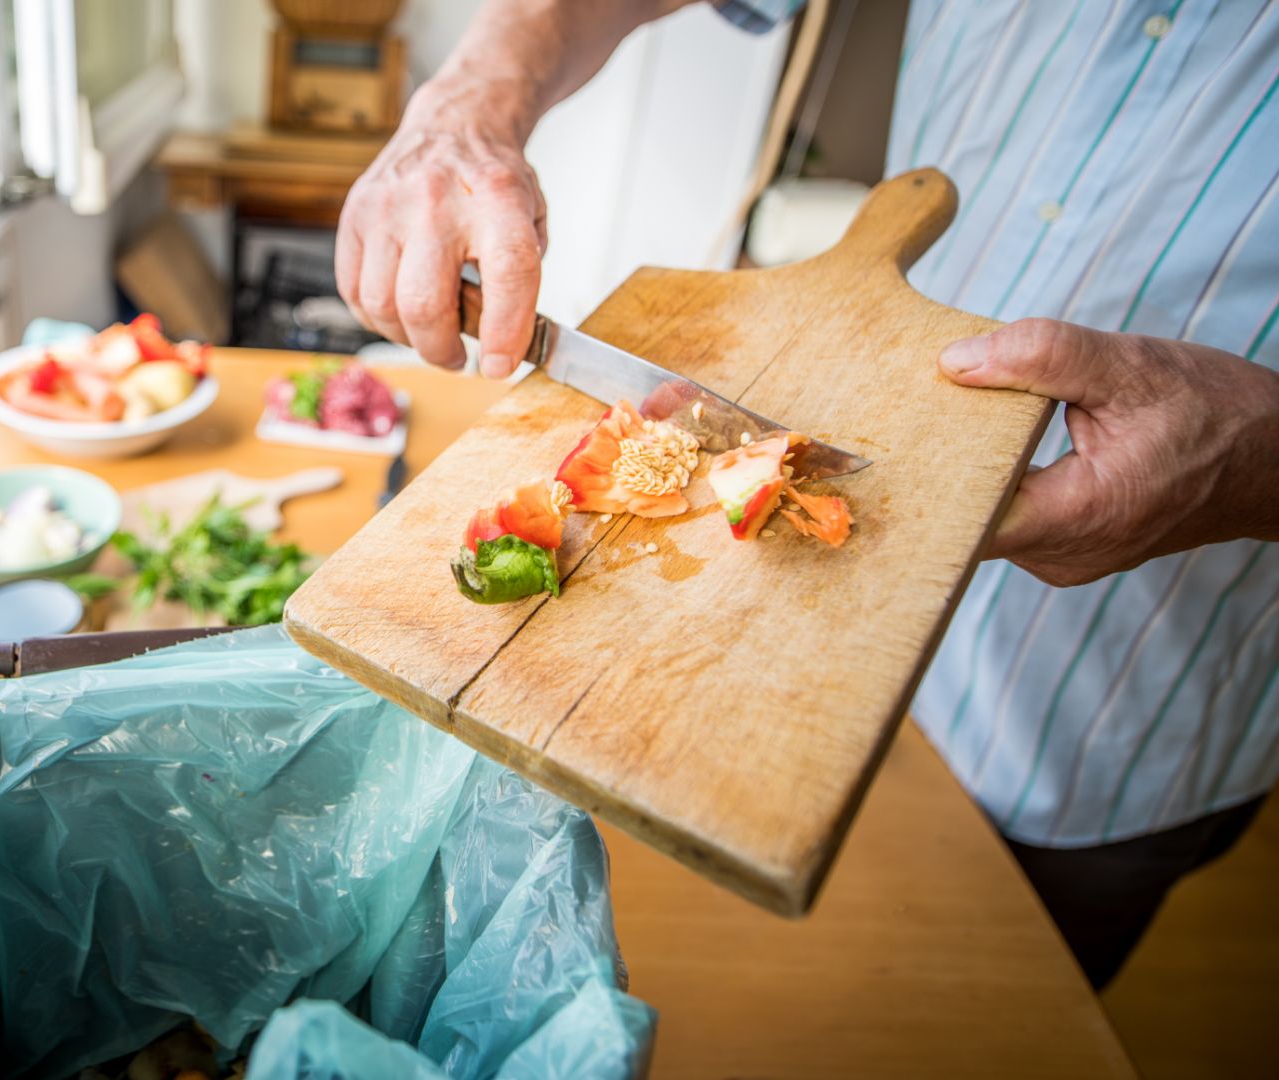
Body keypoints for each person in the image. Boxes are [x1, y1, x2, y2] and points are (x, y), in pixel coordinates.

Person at [336, 0, 1279, 989]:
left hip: (1099, 712)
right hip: (766, 671)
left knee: (959, 1014)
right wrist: (468, 96)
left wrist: (1256, 453)